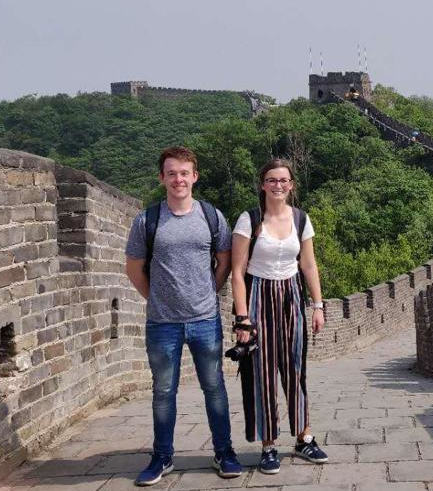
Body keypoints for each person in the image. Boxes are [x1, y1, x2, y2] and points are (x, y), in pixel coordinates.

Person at [125, 146, 241, 485]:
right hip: (163, 323)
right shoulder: (147, 220)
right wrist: (157, 298)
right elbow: (133, 269)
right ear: (162, 177)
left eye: (184, 173)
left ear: (195, 176)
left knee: (214, 387)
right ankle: (162, 457)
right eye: (172, 173)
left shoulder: (211, 216)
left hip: (205, 320)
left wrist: (209, 291)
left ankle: (224, 451)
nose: (178, 179)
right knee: (163, 391)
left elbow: (224, 259)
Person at [231, 158, 328, 475]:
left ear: (291, 185)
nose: (278, 185)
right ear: (263, 184)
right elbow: (237, 271)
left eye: (283, 180)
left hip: (291, 298)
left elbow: (309, 266)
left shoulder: (301, 219)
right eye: (272, 180)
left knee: (295, 371)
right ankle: (268, 445)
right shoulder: (250, 220)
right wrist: (243, 318)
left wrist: (317, 305)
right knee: (263, 374)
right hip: (259, 296)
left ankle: (304, 438)